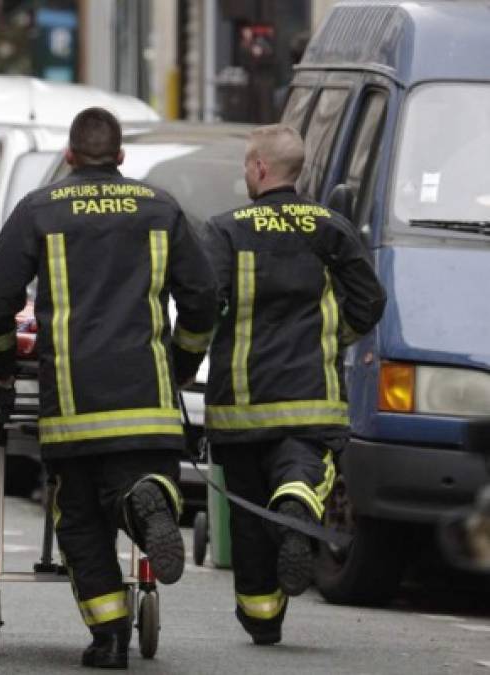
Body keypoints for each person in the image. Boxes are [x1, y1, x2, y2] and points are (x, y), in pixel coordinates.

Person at [0, 107, 216, 669]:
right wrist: (182, 361)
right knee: (146, 479)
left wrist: (3, 363)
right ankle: (145, 501)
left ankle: (110, 637)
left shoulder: (41, 210)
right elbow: (204, 296)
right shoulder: (160, 208)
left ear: (68, 156)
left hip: (75, 406)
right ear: (121, 158)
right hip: (148, 400)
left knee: (80, 519)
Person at [203, 123, 386, 646]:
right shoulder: (331, 228)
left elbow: (201, 304)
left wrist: (181, 362)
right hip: (311, 402)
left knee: (246, 517)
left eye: (246, 163)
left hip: (241, 407)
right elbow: (369, 301)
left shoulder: (225, 230)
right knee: (301, 477)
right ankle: (297, 509)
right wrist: (335, 334)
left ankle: (262, 616)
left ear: (260, 168)